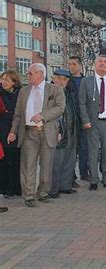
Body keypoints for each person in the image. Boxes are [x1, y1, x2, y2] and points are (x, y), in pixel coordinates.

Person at [7, 63, 65, 207]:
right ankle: (29, 195)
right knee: (28, 165)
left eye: (30, 73)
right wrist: (13, 131)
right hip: (28, 133)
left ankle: (43, 193)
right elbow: (18, 114)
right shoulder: (24, 91)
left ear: (40, 74)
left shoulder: (55, 89)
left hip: (47, 132)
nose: (28, 76)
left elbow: (60, 108)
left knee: (46, 165)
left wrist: (43, 115)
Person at [78, 54, 106, 191]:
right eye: (100, 61)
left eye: (105, 62)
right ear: (95, 65)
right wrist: (85, 120)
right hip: (92, 122)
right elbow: (82, 102)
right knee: (93, 152)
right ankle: (94, 179)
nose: (102, 64)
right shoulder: (86, 81)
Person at [49, 69, 78, 198]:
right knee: (56, 161)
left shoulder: (70, 93)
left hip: (71, 130)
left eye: (64, 79)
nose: (61, 82)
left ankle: (65, 186)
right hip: (57, 131)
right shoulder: (49, 94)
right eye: (59, 78)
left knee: (69, 159)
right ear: (53, 78)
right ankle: (52, 189)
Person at [0, 70, 22, 198]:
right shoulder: (1, 94)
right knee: (5, 160)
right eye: (2, 79)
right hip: (3, 129)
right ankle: (6, 188)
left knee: (16, 160)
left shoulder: (20, 93)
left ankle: (17, 188)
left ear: (14, 82)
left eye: (7, 80)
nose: (3, 82)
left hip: (18, 130)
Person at [68, 56, 88, 184]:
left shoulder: (86, 81)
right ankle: (71, 175)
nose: (71, 66)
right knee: (71, 149)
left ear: (80, 66)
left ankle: (84, 172)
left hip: (84, 118)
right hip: (71, 119)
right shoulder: (67, 81)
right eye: (69, 64)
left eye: (74, 64)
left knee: (84, 147)